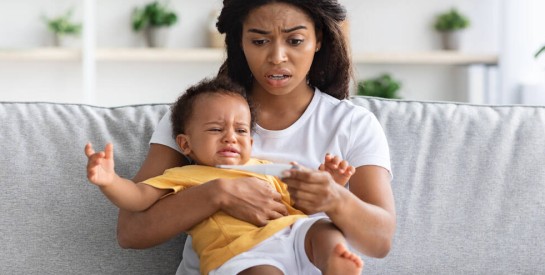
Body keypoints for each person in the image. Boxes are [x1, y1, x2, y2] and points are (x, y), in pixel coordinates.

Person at [117, 0, 396, 274]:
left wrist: (335, 199)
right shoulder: (196, 117)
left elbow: (380, 242)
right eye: (260, 41)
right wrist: (219, 193)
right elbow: (130, 232)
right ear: (240, 41)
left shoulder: (353, 124)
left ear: (318, 39)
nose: (277, 57)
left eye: (295, 40)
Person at [85, 77, 363, 274]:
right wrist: (110, 180)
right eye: (216, 129)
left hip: (290, 236)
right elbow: (137, 198)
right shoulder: (184, 175)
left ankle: (335, 264)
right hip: (241, 253)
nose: (230, 137)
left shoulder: (264, 167)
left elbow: (301, 205)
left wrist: (330, 185)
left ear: (251, 144)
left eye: (241, 131)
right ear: (185, 144)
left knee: (323, 229)